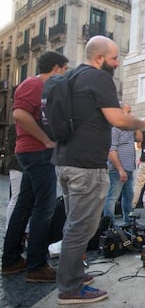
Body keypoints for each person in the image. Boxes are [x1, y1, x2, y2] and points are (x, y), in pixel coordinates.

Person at [53, 36, 145, 305]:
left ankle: (74, 274)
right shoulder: (99, 78)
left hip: (65, 161)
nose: (117, 63)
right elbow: (118, 119)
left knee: (74, 224)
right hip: (86, 166)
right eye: (115, 58)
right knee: (80, 227)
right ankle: (70, 287)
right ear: (99, 58)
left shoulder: (72, 77)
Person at [1, 51, 69, 282]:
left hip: (33, 153)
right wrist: (46, 140)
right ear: (57, 68)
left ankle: (11, 261)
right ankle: (36, 266)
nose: (65, 74)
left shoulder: (39, 87)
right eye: (65, 69)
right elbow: (19, 114)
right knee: (44, 208)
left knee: (24, 205)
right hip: (37, 153)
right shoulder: (33, 84)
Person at [103, 102, 136, 224]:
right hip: (118, 169)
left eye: (130, 111)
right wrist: (120, 169)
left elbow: (140, 139)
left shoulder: (127, 128)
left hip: (128, 168)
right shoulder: (114, 129)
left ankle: (128, 220)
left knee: (129, 195)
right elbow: (111, 150)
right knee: (112, 197)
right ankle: (109, 224)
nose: (130, 114)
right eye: (127, 111)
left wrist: (134, 125)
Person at [5, 123, 23, 231]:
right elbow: (12, 146)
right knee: (15, 197)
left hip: (26, 165)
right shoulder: (14, 127)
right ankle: (9, 228)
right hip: (17, 165)